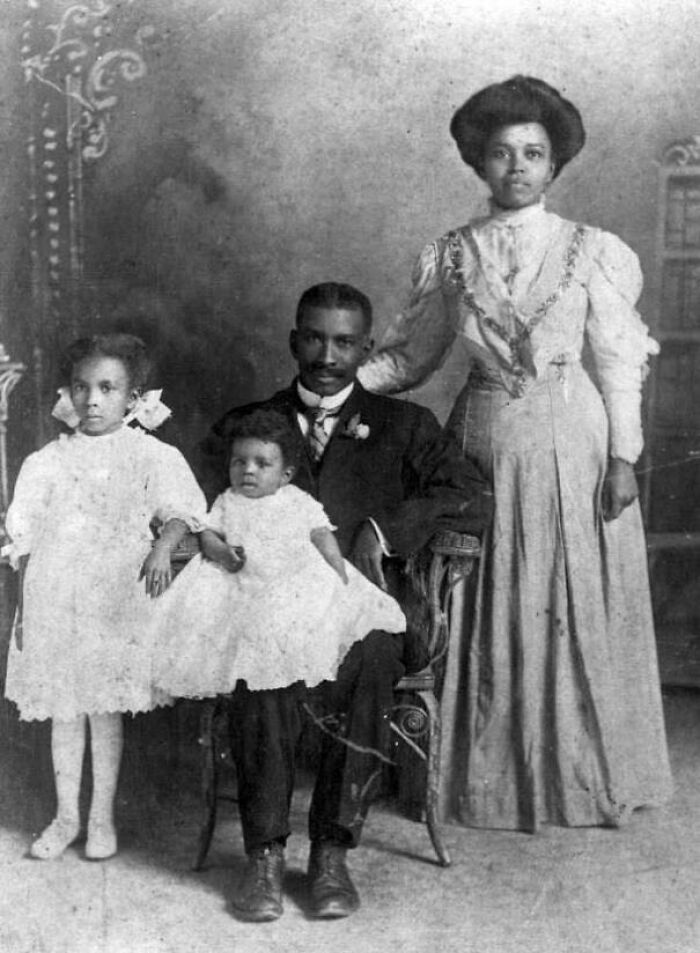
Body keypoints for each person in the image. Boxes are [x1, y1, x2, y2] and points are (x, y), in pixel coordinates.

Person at [358, 75, 673, 832]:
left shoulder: (592, 251)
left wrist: (624, 457)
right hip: (483, 447)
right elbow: (410, 359)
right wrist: (331, 392)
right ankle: (483, 778)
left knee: (571, 600)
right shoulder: (451, 256)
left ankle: (581, 775)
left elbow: (617, 359)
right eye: (501, 153)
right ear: (479, 163)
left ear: (554, 163)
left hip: (576, 443)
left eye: (533, 153)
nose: (518, 167)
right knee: (480, 591)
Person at [198, 281, 493, 921]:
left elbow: (471, 494)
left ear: (366, 348)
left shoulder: (404, 424)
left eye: (344, 342)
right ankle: (265, 856)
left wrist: (386, 530)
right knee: (260, 661)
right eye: (314, 337)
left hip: (356, 609)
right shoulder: (250, 425)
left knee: (374, 654)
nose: (327, 354)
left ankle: (331, 851)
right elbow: (195, 506)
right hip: (260, 608)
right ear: (294, 340)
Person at [2, 333, 207, 861]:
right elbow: (22, 540)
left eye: (107, 388)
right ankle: (66, 815)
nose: (93, 400)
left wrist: (163, 547)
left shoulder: (148, 454)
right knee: (65, 709)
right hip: (57, 594)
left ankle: (101, 818)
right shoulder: (47, 460)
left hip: (113, 598)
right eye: (82, 387)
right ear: (69, 393)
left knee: (104, 708)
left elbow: (182, 511)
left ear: (132, 396)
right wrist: (26, 610)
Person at [154, 408, 406, 697]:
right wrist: (222, 552)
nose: (248, 470)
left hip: (291, 577)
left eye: (262, 464)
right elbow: (207, 532)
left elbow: (320, 532)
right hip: (243, 582)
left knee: (306, 614)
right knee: (231, 626)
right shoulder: (228, 500)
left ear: (285, 475)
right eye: (239, 462)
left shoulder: (296, 500)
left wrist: (336, 564)